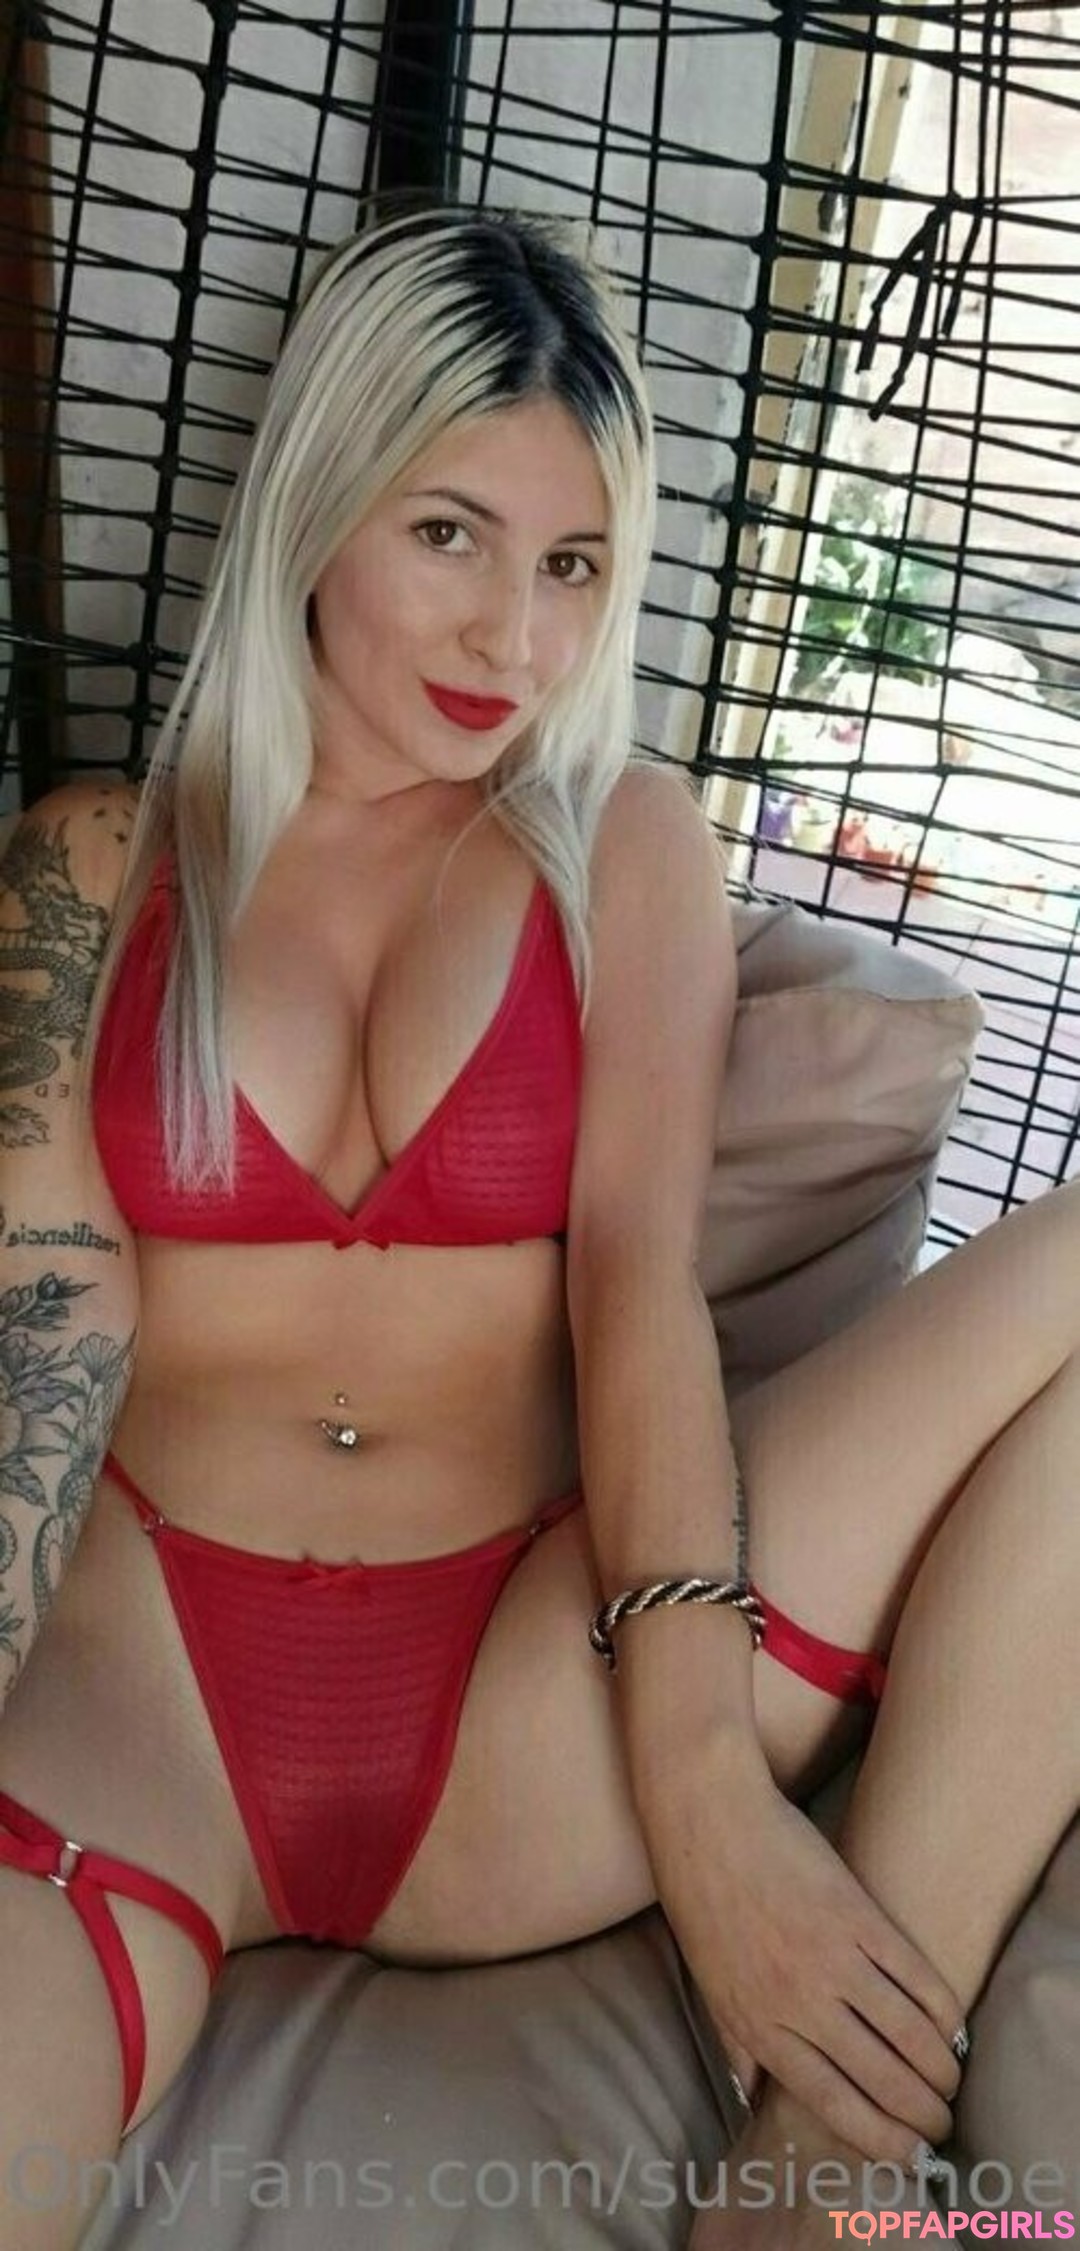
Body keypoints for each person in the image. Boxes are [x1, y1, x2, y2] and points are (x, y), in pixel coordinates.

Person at [0, 204, 1076, 2251]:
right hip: (141, 1727)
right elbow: (33, 1336)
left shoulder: (622, 849)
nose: (516, 641)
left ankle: (827, 2146)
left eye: (574, 566)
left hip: (525, 1690)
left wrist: (707, 1797)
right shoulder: (92, 867)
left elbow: (635, 1299)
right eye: (453, 536)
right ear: (320, 503)